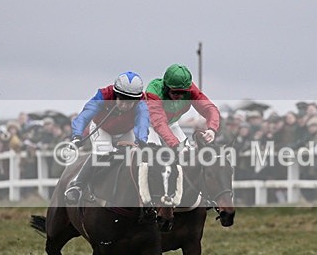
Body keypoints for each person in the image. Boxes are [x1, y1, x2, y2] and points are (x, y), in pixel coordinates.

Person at [64, 71, 149, 203]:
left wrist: (142, 140)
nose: (125, 106)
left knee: (134, 157)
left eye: (130, 103)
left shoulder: (142, 103)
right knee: (104, 152)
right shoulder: (103, 95)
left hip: (125, 131)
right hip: (101, 129)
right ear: (115, 95)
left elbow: (143, 122)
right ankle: (77, 186)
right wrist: (77, 135)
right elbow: (85, 115)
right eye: (122, 100)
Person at [145, 64, 219, 147]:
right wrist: (175, 145)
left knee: (187, 152)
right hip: (149, 125)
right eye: (175, 92)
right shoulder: (154, 90)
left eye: (183, 92)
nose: (179, 96)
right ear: (166, 87)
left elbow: (210, 108)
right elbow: (159, 122)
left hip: (171, 124)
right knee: (151, 153)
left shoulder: (191, 90)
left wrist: (212, 129)